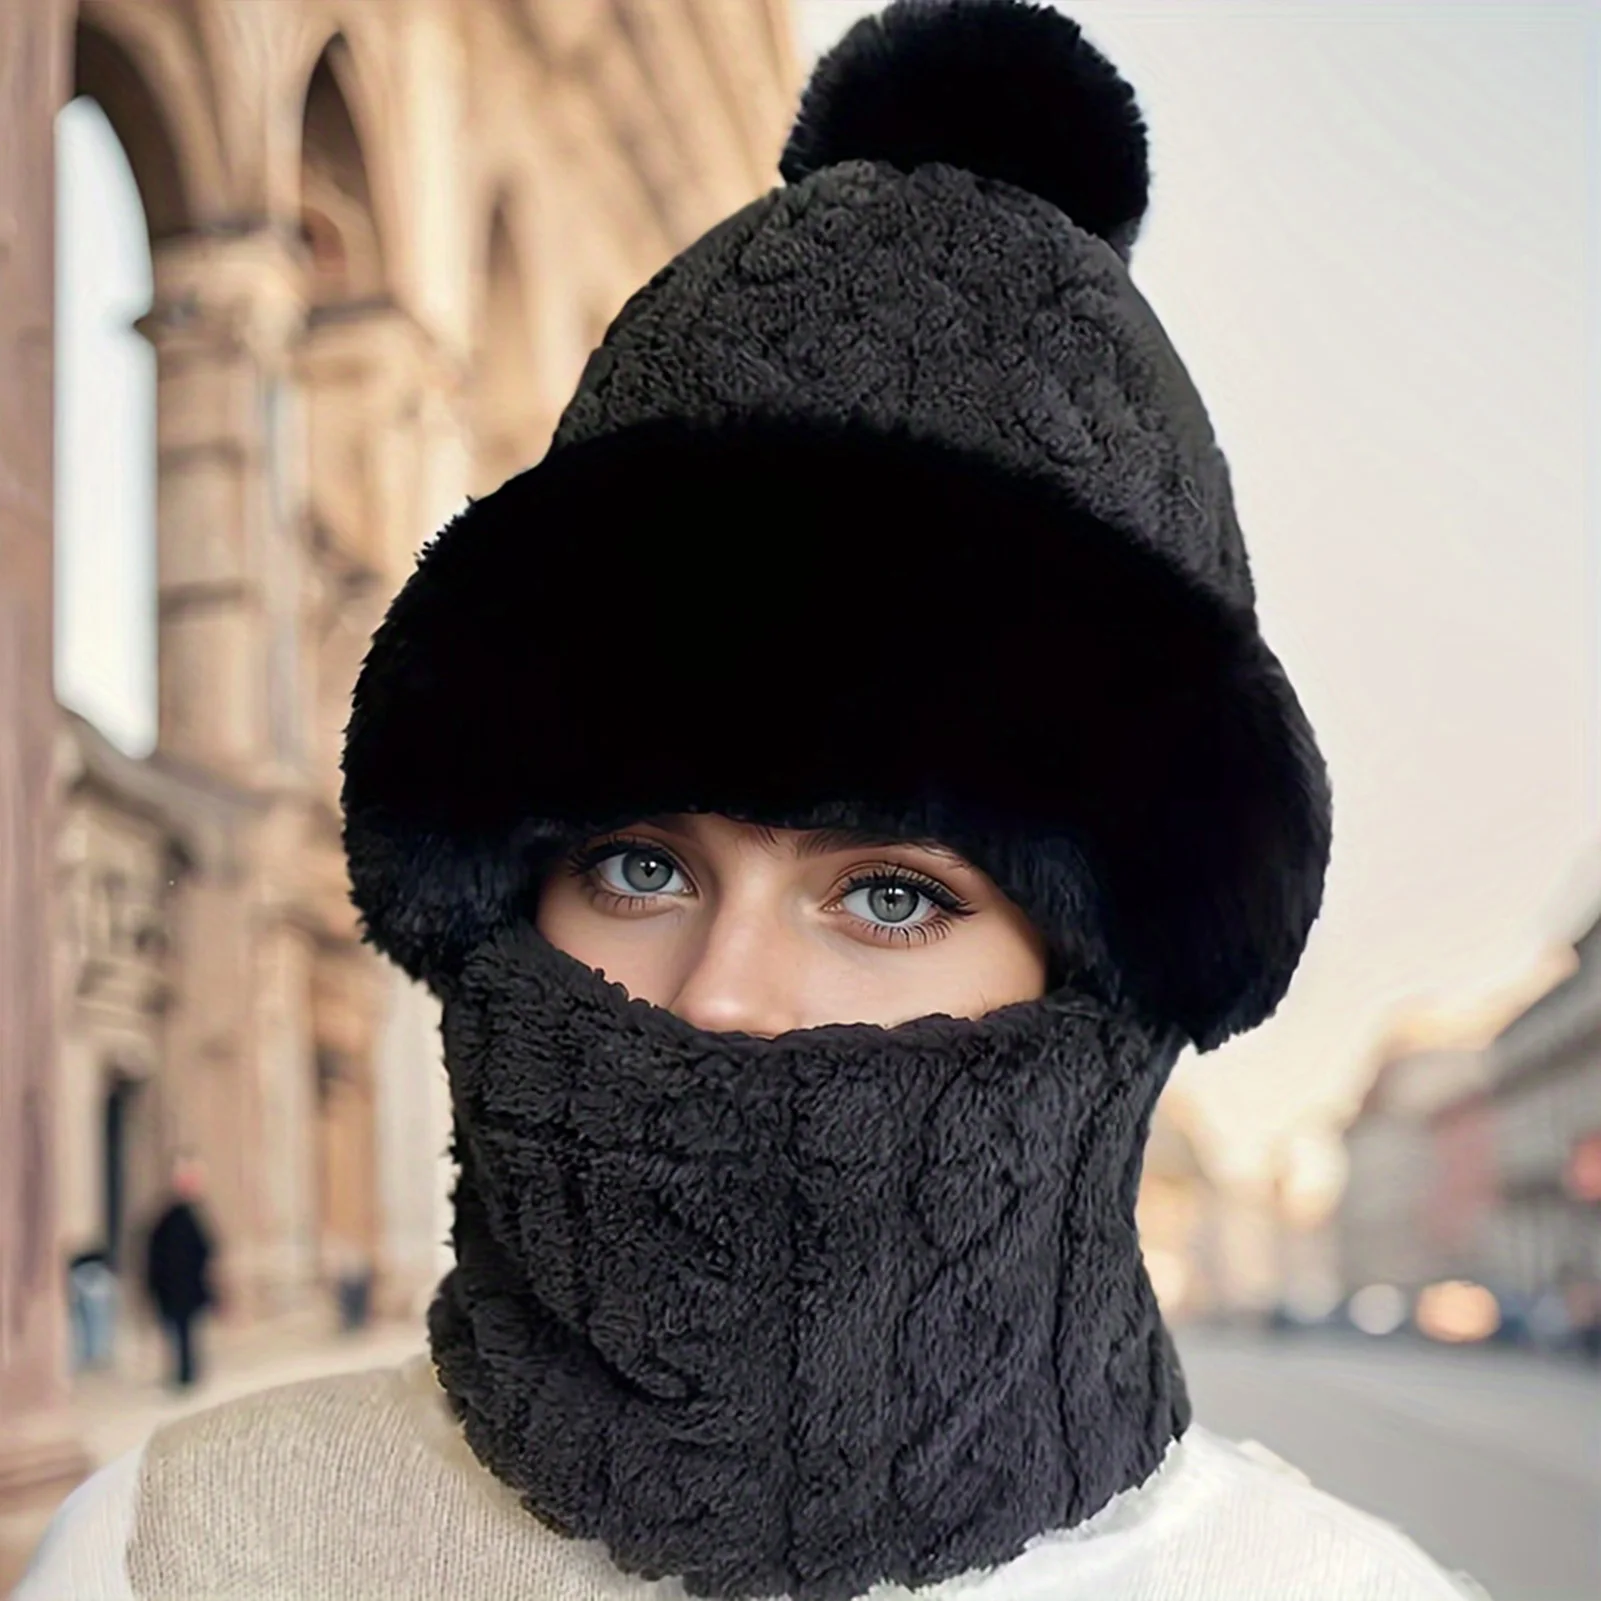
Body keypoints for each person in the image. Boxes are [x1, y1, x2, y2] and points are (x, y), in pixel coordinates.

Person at [16, 3, 1489, 1597]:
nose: (720, 998)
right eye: (641, 865)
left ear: (1110, 965)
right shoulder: (172, 1554)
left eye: (890, 894)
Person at [141, 1152, 217, 1391]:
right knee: (177, 1332)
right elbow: (155, 1254)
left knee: (186, 1333)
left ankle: (187, 1372)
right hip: (173, 1288)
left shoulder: (191, 1214)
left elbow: (206, 1249)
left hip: (186, 1288)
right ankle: (183, 1373)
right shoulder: (168, 1217)